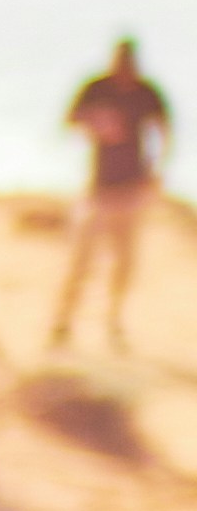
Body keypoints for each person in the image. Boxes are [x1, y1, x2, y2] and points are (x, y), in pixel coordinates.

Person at [53, 32, 174, 347]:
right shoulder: (97, 89)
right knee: (83, 258)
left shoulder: (147, 93)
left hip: (132, 189)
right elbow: (69, 120)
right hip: (99, 188)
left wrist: (159, 171)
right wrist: (97, 122)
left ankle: (113, 323)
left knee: (124, 262)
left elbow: (165, 129)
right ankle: (63, 322)